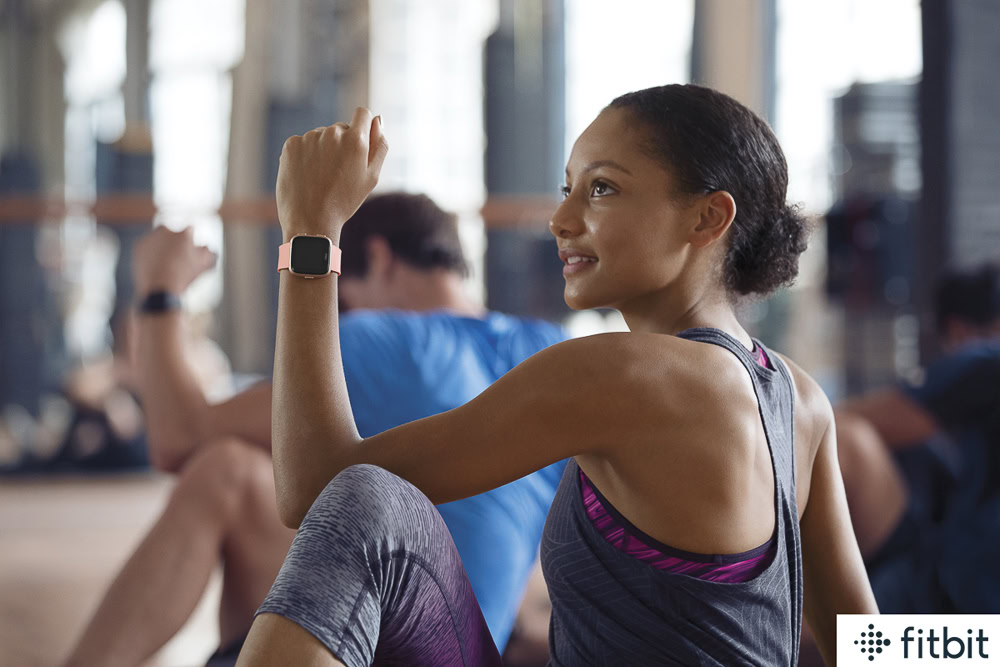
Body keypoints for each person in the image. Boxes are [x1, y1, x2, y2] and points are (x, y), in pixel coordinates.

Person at [236, 85, 878, 667]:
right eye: (568, 187)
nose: (561, 219)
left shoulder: (620, 374)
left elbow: (313, 486)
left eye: (602, 189)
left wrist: (311, 231)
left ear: (707, 218)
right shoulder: (800, 398)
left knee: (364, 505)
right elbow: (862, 637)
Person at [63, 193, 568, 667]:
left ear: (380, 257)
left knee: (229, 471)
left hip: (391, 645)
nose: (338, 313)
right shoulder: (549, 352)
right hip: (466, 643)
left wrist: (159, 290)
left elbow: (178, 437)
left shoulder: (382, 338)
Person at [833, 262, 1000, 613]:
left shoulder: (985, 361)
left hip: (959, 619)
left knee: (846, 438)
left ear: (956, 331)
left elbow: (836, 422)